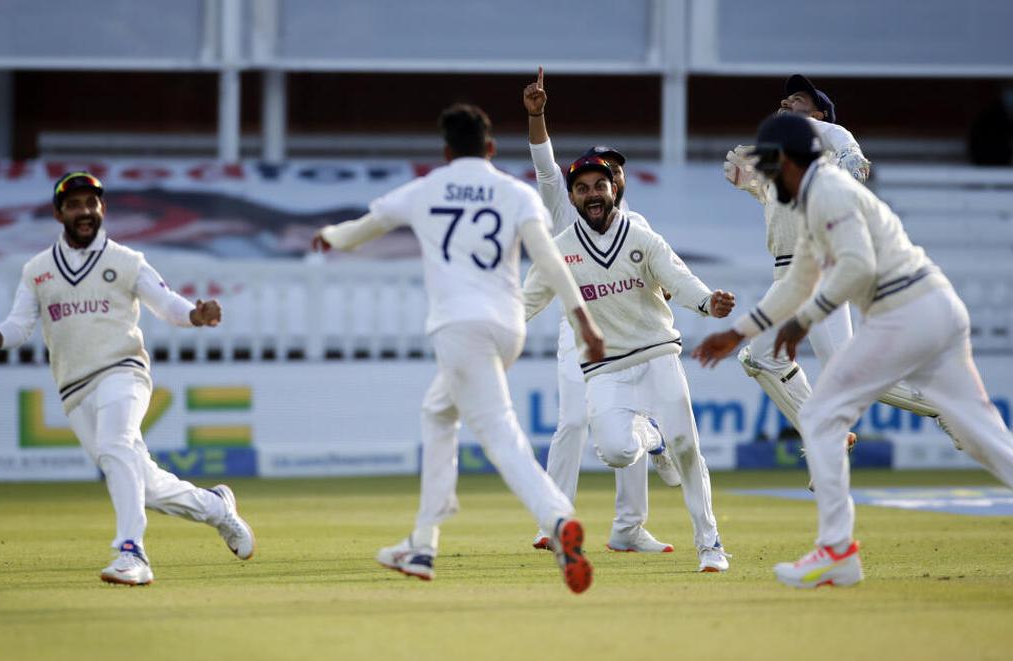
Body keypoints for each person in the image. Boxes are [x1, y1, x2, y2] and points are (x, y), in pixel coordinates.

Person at [693, 114, 1013, 596]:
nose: (765, 177)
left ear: (789, 160)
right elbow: (799, 279)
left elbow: (857, 266)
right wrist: (739, 333)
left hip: (906, 312)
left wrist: (805, 319)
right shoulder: (810, 200)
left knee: (820, 415)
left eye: (770, 165)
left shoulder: (830, 192)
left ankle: (837, 551)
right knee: (981, 437)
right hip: (935, 307)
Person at [311, 104, 605, 594]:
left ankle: (558, 521)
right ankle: (422, 541)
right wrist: (584, 319)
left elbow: (367, 225)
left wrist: (330, 237)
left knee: (499, 436)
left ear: (446, 152)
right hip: (508, 328)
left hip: (459, 329)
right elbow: (549, 259)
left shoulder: (426, 188)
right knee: (437, 411)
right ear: (490, 149)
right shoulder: (514, 192)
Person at [0, 171, 255, 586]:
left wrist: (195, 315)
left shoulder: (126, 260)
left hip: (123, 371)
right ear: (59, 212)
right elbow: (20, 325)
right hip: (75, 390)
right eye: (76, 205)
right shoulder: (38, 270)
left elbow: (166, 303)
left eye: (91, 204)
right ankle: (216, 507)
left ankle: (132, 553)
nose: (85, 212)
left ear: (102, 209)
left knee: (117, 446)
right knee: (143, 482)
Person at [721, 74, 960, 472]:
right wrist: (747, 177)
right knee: (760, 359)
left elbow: (854, 161)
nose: (786, 104)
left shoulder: (825, 133)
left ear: (817, 112)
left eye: (797, 100)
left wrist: (845, 174)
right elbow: (768, 194)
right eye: (785, 100)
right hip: (788, 278)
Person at [522, 154, 735, 573]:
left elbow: (679, 279)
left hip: (658, 355)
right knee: (618, 452)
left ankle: (710, 544)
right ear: (572, 197)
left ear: (614, 189)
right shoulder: (560, 249)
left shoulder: (642, 237)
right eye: (582, 189)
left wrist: (709, 303)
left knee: (688, 449)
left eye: (599, 185)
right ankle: (651, 439)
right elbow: (526, 301)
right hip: (604, 369)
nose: (592, 195)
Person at [522, 66, 676, 554]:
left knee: (624, 428)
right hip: (582, 336)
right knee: (573, 422)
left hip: (634, 338)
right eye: (597, 172)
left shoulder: (638, 223)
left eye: (614, 170)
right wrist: (538, 116)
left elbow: (657, 272)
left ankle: (629, 529)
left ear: (619, 180)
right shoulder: (567, 210)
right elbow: (547, 169)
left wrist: (665, 289)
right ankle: (555, 521)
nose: (608, 179)